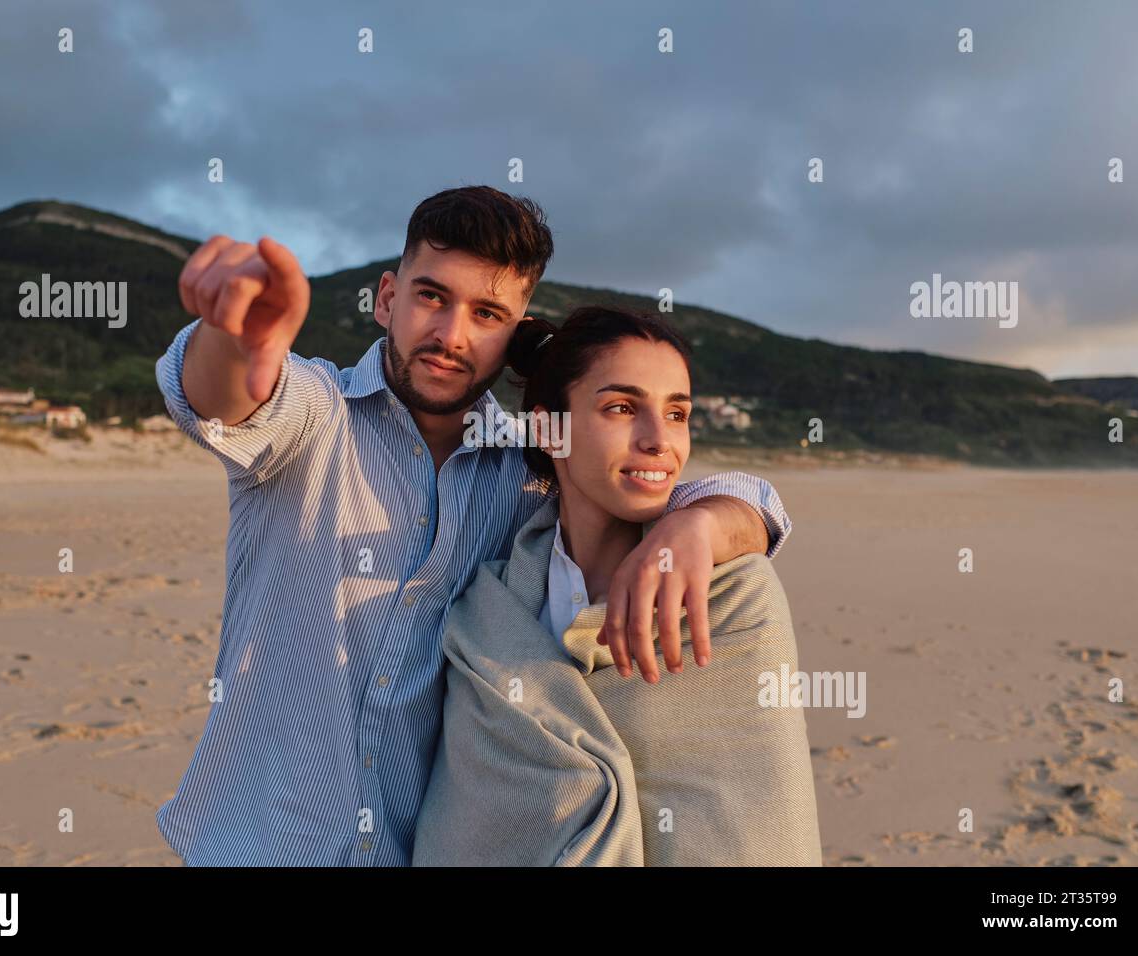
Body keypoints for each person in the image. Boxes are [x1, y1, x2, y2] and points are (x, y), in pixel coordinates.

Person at [154, 185, 793, 865]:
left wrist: (697, 527)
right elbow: (227, 400)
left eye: (487, 313)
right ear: (386, 298)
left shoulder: (530, 476)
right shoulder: (313, 419)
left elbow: (736, 496)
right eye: (432, 297)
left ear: (514, 331)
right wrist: (231, 337)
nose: (451, 335)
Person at [412, 307, 822, 866]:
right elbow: (466, 830)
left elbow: (761, 824)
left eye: (677, 414)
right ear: (547, 427)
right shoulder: (488, 610)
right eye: (623, 408)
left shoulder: (735, 592)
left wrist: (702, 521)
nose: (659, 441)